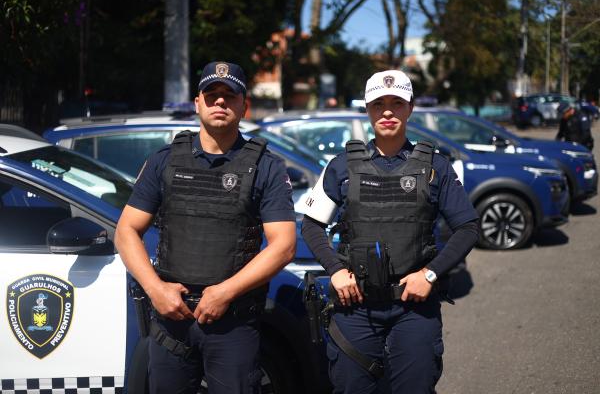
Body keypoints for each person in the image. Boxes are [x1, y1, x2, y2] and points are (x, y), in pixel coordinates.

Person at [115, 61, 296, 394]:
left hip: (233, 322)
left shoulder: (267, 167)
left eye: (230, 95)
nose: (220, 102)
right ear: (197, 103)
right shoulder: (164, 160)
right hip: (172, 319)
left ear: (244, 106)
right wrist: (156, 290)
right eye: (212, 95)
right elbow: (126, 230)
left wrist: (224, 292)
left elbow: (284, 245)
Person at [301, 70, 479, 393]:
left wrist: (430, 274)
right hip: (355, 308)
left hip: (413, 308)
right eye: (378, 104)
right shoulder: (341, 166)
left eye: (396, 103)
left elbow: (467, 227)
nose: (387, 112)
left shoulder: (435, 167)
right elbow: (311, 225)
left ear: (410, 108)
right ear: (367, 110)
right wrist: (336, 270)